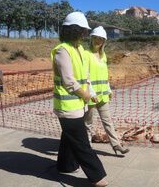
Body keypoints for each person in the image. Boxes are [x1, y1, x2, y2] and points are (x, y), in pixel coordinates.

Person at [51, 12, 108, 187]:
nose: (85, 34)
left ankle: (65, 166)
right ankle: (97, 176)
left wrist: (90, 91)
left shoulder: (80, 49)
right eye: (82, 30)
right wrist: (86, 95)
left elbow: (85, 77)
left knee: (69, 137)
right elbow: (69, 82)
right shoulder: (63, 50)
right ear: (73, 31)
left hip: (78, 104)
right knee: (82, 142)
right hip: (68, 106)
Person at [84, 26, 129, 155]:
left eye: (101, 39)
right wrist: (91, 93)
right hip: (91, 96)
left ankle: (116, 145)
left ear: (104, 41)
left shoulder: (103, 56)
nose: (98, 41)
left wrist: (108, 90)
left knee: (108, 121)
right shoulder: (86, 55)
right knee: (88, 124)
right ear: (92, 38)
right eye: (96, 38)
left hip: (103, 96)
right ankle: (86, 149)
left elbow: (104, 75)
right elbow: (85, 76)